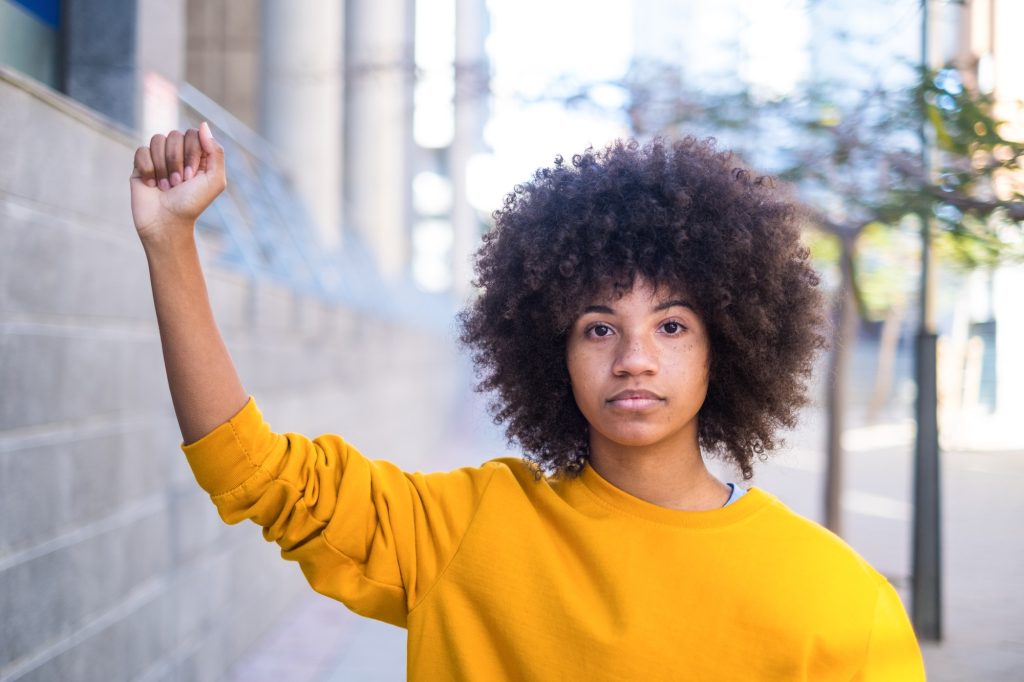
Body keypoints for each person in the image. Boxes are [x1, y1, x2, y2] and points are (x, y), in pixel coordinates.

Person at [130, 124, 927, 680]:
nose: (635, 358)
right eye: (597, 327)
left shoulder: (840, 603)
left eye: (673, 324)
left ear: (733, 344)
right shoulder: (464, 532)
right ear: (553, 352)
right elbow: (254, 472)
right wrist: (170, 241)